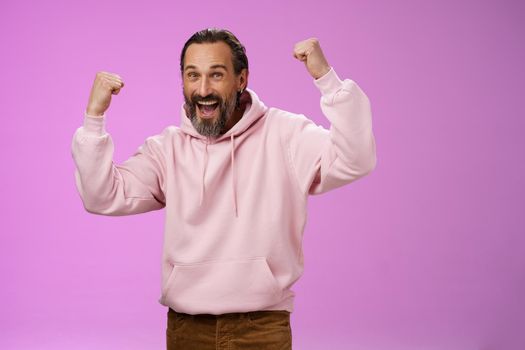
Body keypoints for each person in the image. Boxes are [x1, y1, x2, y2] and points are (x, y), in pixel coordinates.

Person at [71, 28, 377, 350]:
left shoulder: (285, 134)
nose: (203, 89)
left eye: (216, 75)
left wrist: (327, 79)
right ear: (183, 82)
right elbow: (101, 195)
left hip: (261, 328)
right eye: (193, 76)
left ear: (241, 79)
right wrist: (94, 119)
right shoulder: (167, 149)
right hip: (187, 327)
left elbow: (356, 159)